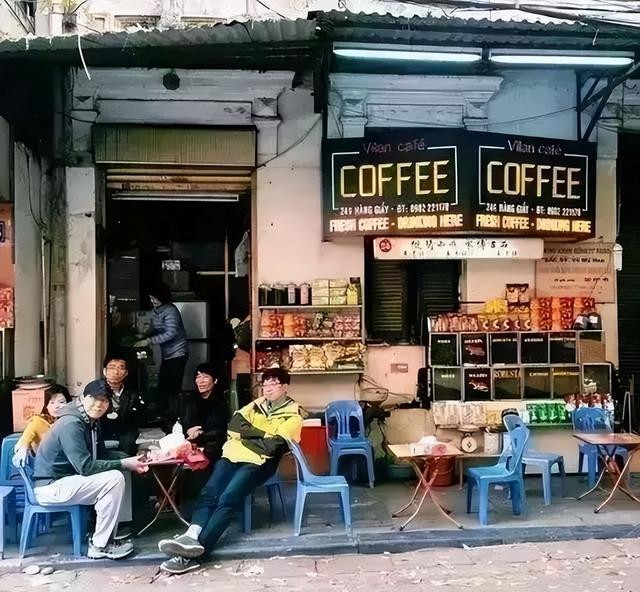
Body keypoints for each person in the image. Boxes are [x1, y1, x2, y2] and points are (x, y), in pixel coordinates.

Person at [157, 367, 302, 574]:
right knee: (209, 492)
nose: (268, 389)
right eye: (265, 384)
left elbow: (273, 446)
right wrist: (262, 435)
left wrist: (246, 436)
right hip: (233, 455)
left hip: (260, 462)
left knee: (228, 498)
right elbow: (234, 426)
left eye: (274, 384)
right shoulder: (255, 405)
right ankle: (191, 535)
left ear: (285, 387)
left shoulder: (293, 415)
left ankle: (197, 553)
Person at [32, 382, 148, 560]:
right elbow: (85, 467)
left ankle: (109, 533)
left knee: (118, 474)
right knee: (114, 478)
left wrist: (133, 458)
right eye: (94, 398)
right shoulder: (71, 424)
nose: (98, 405)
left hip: (69, 481)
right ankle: (100, 544)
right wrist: (125, 463)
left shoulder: (90, 421)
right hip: (51, 485)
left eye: (104, 400)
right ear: (83, 398)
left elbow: (101, 454)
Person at [134, 283, 187, 431]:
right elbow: (155, 327)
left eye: (155, 298)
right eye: (151, 298)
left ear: (163, 297)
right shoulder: (156, 311)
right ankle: (164, 416)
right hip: (167, 354)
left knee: (172, 388)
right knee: (164, 386)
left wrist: (148, 341)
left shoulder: (171, 311)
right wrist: (144, 334)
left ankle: (173, 419)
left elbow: (171, 333)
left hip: (177, 353)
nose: (153, 301)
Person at [84, 352, 145, 455]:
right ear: (104, 371)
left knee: (129, 444)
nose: (116, 372)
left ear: (126, 373)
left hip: (123, 433)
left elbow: (136, 418)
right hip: (101, 429)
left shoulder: (132, 393)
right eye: (112, 368)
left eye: (121, 368)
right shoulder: (95, 388)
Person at [181, 363, 229, 464]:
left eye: (206, 377)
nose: (201, 381)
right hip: (190, 444)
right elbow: (183, 421)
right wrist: (188, 430)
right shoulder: (190, 400)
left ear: (215, 380)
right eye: (198, 377)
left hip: (213, 447)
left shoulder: (222, 401)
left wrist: (200, 432)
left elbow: (219, 428)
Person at [13, 385, 72, 465]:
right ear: (46, 405)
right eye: (51, 403)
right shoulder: (39, 421)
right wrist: (23, 447)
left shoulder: (72, 421)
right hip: (47, 465)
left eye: (61, 402)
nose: (56, 406)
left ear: (69, 403)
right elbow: (28, 434)